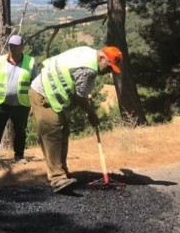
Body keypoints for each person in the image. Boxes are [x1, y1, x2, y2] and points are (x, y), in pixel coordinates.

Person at [29, 45, 123, 193]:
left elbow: (78, 86)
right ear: (101, 58)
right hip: (44, 93)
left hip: (53, 94)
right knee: (52, 134)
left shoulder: (88, 51)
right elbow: (80, 97)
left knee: (64, 131)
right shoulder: (89, 70)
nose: (109, 71)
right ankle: (57, 178)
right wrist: (91, 113)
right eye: (109, 66)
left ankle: (63, 171)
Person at [0, 35, 38, 164]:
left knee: (20, 130)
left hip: (22, 103)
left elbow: (35, 85)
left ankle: (19, 156)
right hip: (2, 103)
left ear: (22, 46)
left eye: (16, 46)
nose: (13, 48)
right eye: (11, 45)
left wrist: (34, 105)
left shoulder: (31, 62)